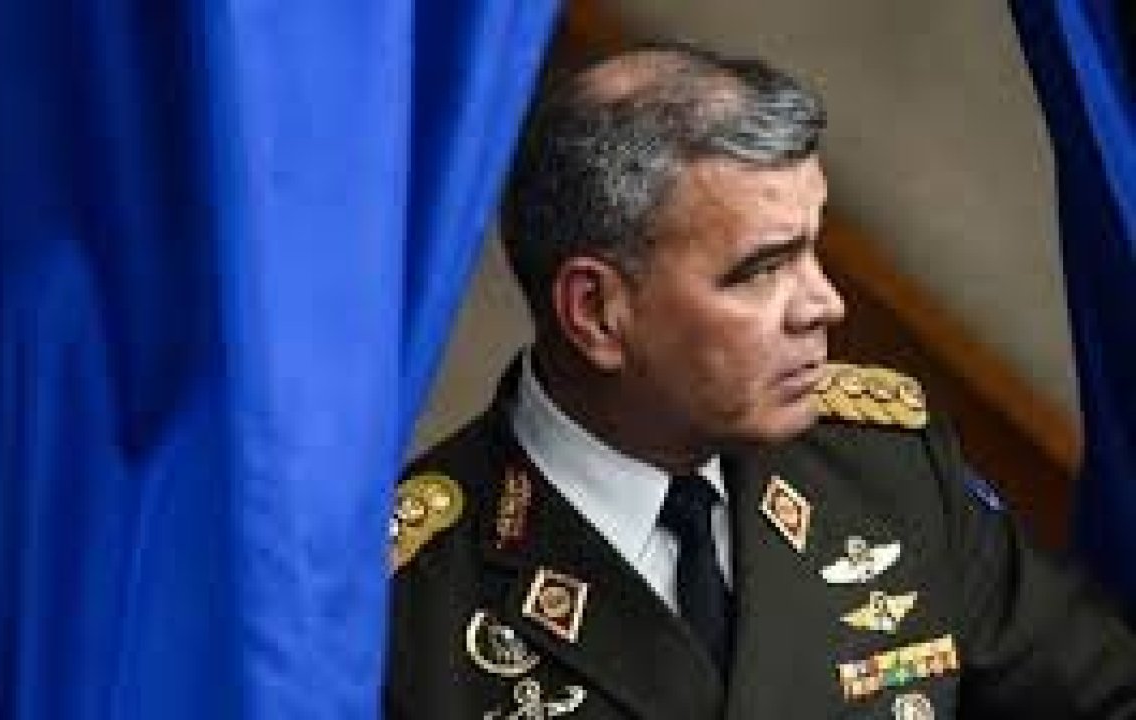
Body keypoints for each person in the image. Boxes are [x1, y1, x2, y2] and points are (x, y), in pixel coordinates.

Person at [386, 43, 1136, 719]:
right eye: (762, 269)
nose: (825, 304)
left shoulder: (885, 470)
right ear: (596, 312)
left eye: (813, 249)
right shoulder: (400, 597)